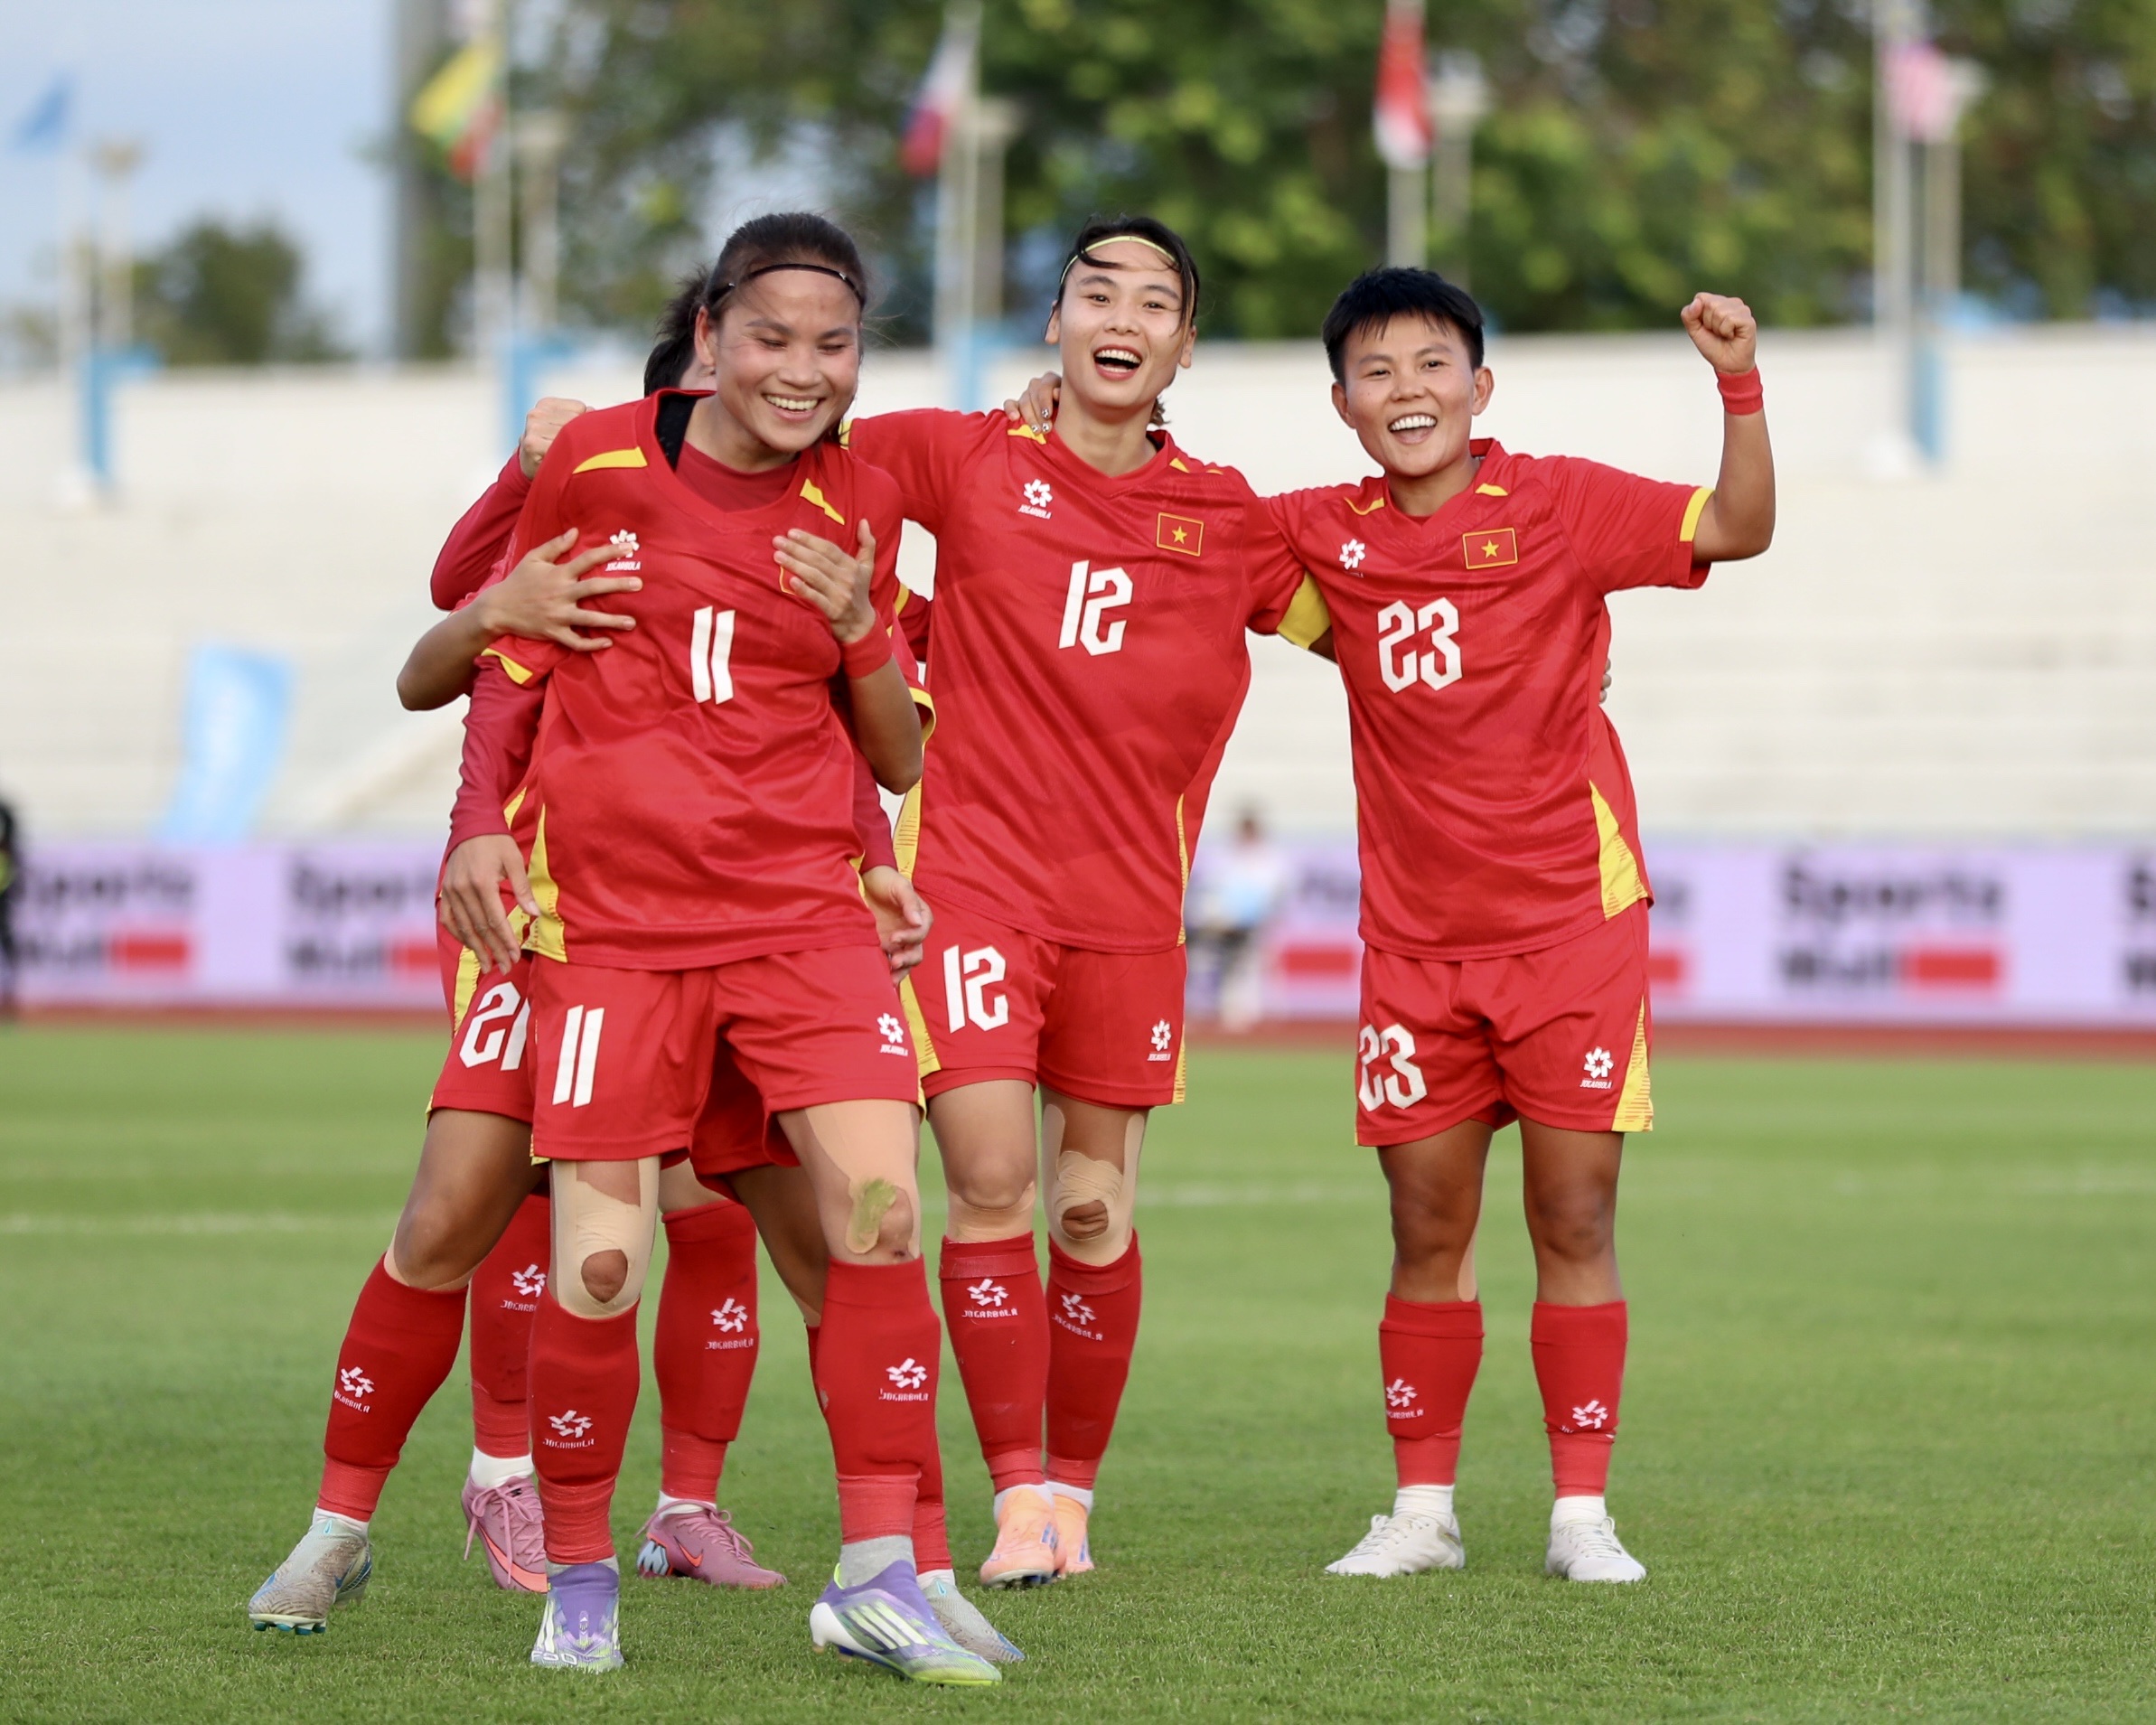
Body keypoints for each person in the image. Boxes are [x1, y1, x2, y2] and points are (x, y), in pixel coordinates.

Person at [245, 268, 957, 1645]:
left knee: (799, 1234)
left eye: (824, 346)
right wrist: (520, 486)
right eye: (746, 354)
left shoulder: (838, 519)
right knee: (471, 1216)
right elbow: (465, 629)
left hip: (763, 933)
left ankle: (844, 1550)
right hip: (560, 927)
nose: (778, 382)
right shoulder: (598, 483)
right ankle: (376, 1520)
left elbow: (841, 726)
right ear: (696, 366)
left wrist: (872, 857)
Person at [436, 211, 1001, 1682]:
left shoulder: (861, 499)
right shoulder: (597, 462)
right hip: (615, 933)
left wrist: (862, 627)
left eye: (835, 343)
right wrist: (479, 827)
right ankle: (578, 1577)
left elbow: (893, 754)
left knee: (882, 1214)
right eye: (772, 338)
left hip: (802, 922)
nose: (803, 369)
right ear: (710, 336)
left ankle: (877, 1572)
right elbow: (507, 662)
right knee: (600, 1263)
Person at [1254, 268, 1774, 1583]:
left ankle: (1579, 1515)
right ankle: (1420, 1513)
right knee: (1422, 1229)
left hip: (1568, 927)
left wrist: (1738, 383)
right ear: (1341, 404)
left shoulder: (1559, 502)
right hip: (1413, 945)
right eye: (1375, 371)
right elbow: (1186, 553)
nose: (1406, 390)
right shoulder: (1318, 529)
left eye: (1432, 364)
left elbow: (1739, 528)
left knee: (1574, 1216)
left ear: (1479, 387)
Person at [840, 215, 1331, 1589]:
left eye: (1155, 301)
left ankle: (1071, 1494)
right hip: (972, 886)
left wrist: (1546, 653)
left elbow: (1367, 617)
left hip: (1129, 911)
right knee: (990, 1180)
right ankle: (1014, 1498)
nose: (1123, 317)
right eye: (1096, 292)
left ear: (1185, 344)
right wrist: (896, 634)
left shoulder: (1228, 518)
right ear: (1053, 321)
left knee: (1091, 1214)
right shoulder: (962, 455)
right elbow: (795, 462)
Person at [1188, 809, 1290, 1028]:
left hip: (1254, 925)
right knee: (1198, 954)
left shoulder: (1271, 860)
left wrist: (1248, 917)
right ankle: (1201, 1007)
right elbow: (1211, 890)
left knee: (1249, 959)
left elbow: (1274, 896)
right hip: (1223, 924)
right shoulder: (1225, 856)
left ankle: (1247, 1012)